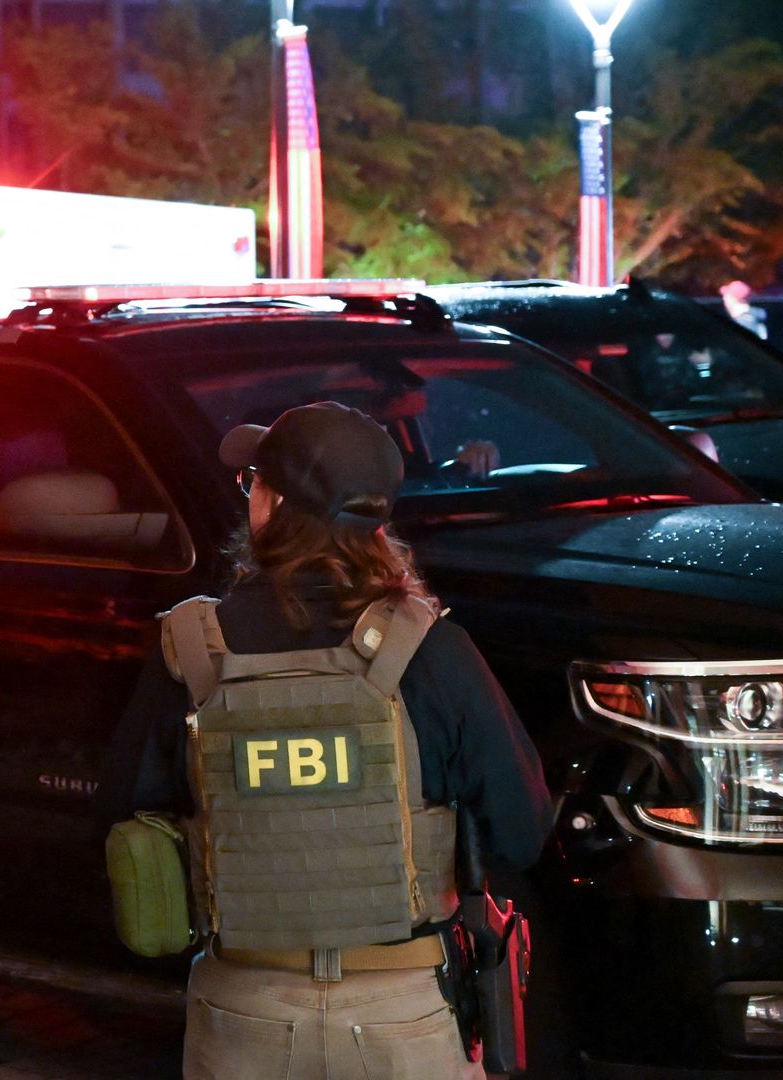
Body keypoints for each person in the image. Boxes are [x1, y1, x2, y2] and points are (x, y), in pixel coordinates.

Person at [98, 402, 551, 1080]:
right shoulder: (431, 650)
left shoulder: (190, 650)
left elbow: (123, 810)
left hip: (244, 1006)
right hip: (402, 1011)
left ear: (274, 504)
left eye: (252, 480)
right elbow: (520, 830)